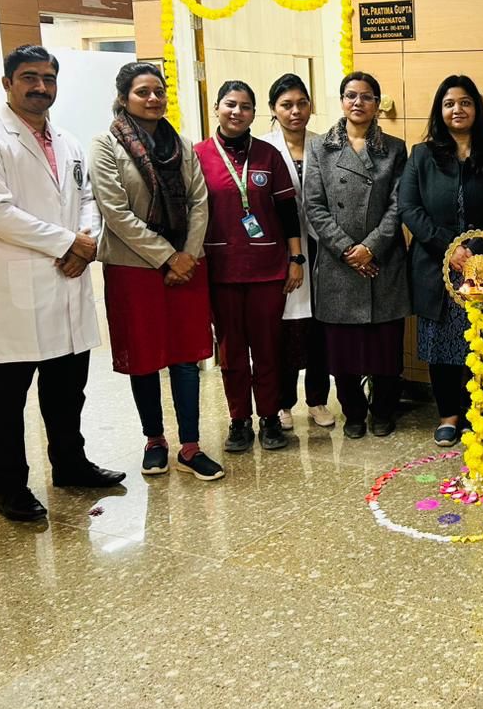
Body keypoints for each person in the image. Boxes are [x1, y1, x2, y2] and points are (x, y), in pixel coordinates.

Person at [0, 45, 125, 521]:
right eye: (29, 77)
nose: (40, 87)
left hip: (68, 277)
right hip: (20, 281)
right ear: (8, 82)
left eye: (48, 78)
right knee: (9, 396)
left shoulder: (68, 141)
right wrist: (69, 242)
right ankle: (9, 486)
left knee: (68, 387)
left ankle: (70, 464)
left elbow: (87, 197)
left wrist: (85, 240)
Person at [90, 62, 223, 481]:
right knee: (145, 357)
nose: (152, 99)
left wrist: (188, 255)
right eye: (142, 92)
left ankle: (190, 446)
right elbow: (115, 212)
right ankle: (154, 441)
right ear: (123, 98)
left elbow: (199, 202)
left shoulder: (180, 145)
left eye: (158, 91)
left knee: (185, 358)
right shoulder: (106, 145)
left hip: (187, 263)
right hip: (134, 267)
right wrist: (167, 257)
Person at [399, 75, 483, 446]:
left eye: (465, 102)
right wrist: (449, 247)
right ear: (439, 110)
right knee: (440, 344)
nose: (458, 109)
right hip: (436, 266)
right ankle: (448, 415)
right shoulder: (422, 155)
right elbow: (409, 207)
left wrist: (477, 246)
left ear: (477, 108)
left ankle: (476, 410)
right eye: (449, 103)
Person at [195, 80, 303, 453]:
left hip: (268, 269)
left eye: (245, 106)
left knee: (269, 347)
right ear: (217, 108)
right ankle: (239, 419)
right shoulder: (198, 155)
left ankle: (270, 417)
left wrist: (295, 259)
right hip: (221, 270)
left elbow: (288, 211)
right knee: (232, 351)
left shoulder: (268, 155)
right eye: (230, 104)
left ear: (255, 113)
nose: (237, 112)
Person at [304, 71, 410, 437]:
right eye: (351, 95)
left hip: (383, 260)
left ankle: (383, 411)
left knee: (386, 349)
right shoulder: (320, 147)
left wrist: (371, 248)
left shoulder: (394, 148)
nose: (358, 102)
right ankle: (352, 413)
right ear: (341, 101)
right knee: (343, 352)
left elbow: (398, 205)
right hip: (339, 264)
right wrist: (348, 249)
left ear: (377, 104)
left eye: (366, 96)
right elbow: (314, 205)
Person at [264, 73, 336, 433]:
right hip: (282, 250)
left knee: (319, 328)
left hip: (323, 246)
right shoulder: (263, 149)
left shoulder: (325, 145)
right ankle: (282, 403)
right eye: (286, 105)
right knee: (286, 330)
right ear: (273, 109)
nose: (295, 111)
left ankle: (318, 400)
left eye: (302, 103)